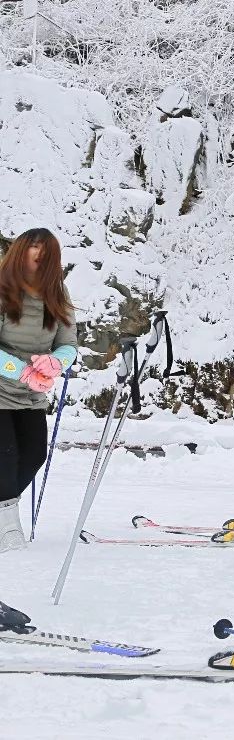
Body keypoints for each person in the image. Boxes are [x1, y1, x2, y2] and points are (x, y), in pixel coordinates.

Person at [0, 229, 78, 553]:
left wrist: (55, 363)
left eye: (45, 252)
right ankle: (7, 530)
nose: (38, 257)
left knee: (33, 455)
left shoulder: (57, 293)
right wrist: (22, 372)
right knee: (5, 458)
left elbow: (69, 344)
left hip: (32, 394)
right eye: (33, 250)